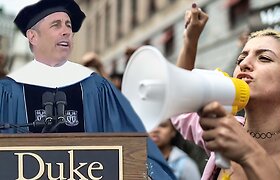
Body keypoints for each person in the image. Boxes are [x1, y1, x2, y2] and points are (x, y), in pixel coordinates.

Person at [0, 0, 176, 179]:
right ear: (32, 36)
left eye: (69, 26)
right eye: (56, 25)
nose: (66, 31)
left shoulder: (96, 88)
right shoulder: (9, 91)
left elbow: (137, 149)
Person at [172, 3, 280, 179]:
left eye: (264, 58)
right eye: (241, 58)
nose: (243, 64)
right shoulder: (224, 128)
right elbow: (179, 105)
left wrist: (248, 152)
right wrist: (190, 40)